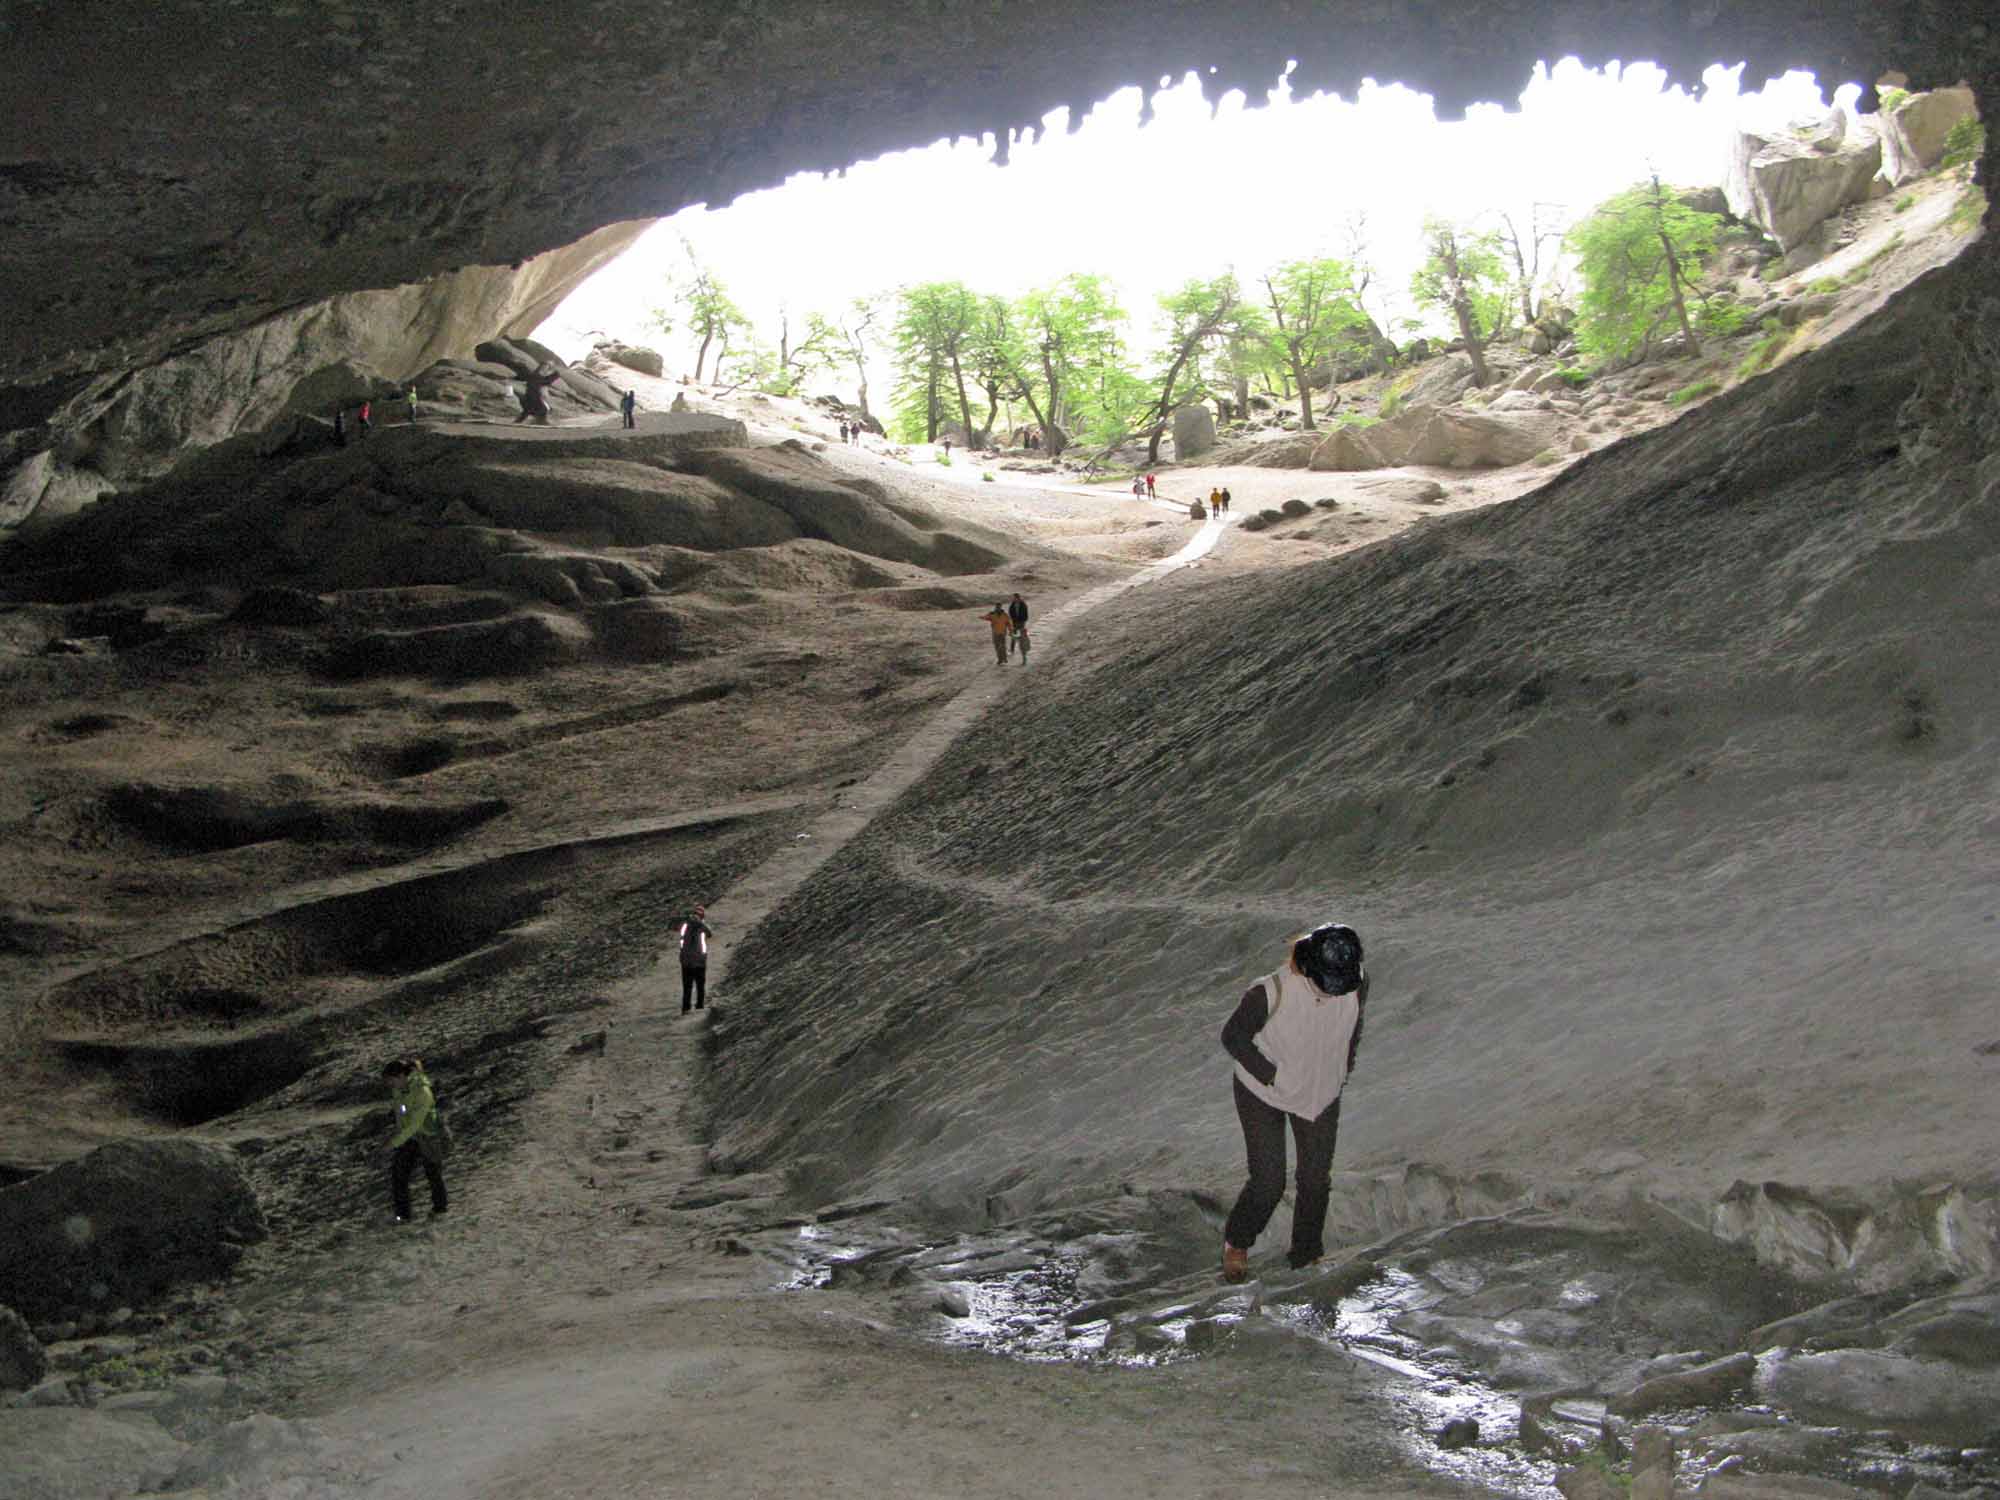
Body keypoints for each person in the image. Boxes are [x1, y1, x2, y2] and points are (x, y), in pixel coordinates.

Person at [1217, 923, 1368, 1282]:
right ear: (1310, 968)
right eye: (1328, 985)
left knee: (1316, 1180)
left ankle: (1306, 1255)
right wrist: (1272, 1074)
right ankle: (1237, 1242)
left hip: (1321, 1093)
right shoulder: (1270, 992)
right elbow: (1233, 1037)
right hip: (1262, 1093)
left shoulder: (1358, 982)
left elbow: (1354, 1026)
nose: (1335, 993)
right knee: (1269, 1182)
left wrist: (1343, 1066)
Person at [383, 1057, 448, 1224]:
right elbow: (401, 1115)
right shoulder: (398, 1091)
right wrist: (398, 1135)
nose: (389, 1085)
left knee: (433, 1174)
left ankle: (440, 1210)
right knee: (399, 1174)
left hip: (428, 1135)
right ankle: (403, 1215)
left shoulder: (422, 1092)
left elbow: (415, 1123)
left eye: (391, 1081)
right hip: (410, 1137)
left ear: (400, 1076)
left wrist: (394, 1143)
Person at [677, 904, 712, 1013]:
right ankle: (693, 1006)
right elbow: (709, 933)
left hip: (692, 960)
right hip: (693, 960)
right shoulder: (693, 925)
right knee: (694, 985)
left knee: (693, 986)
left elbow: (709, 933)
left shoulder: (694, 926)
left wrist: (698, 922)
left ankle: (693, 1007)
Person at [1007, 592, 1030, 663]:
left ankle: (1024, 653)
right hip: (1014, 622)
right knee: (1013, 636)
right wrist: (1012, 621)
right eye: (1013, 598)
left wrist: (1024, 620)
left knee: (1022, 637)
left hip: (1021, 622)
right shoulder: (1012, 605)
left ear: (1018, 598)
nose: (1013, 599)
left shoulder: (1023, 604)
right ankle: (1012, 650)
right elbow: (1010, 613)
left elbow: (1026, 614)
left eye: (1015, 598)